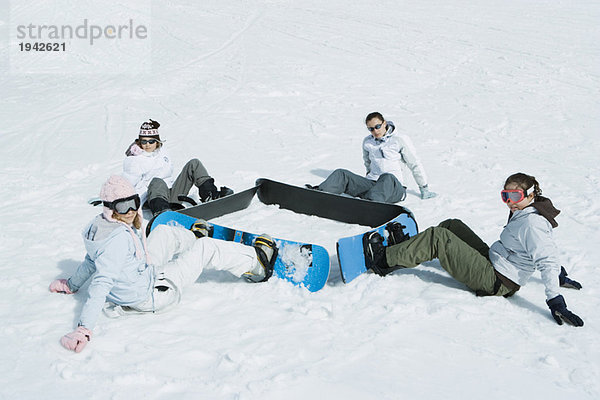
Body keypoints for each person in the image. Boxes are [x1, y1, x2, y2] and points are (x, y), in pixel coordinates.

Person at [49, 175, 277, 353]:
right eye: (121, 207)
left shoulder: (100, 227)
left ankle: (193, 239)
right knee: (208, 248)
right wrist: (83, 329)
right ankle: (258, 265)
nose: (129, 212)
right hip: (153, 295)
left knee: (164, 232)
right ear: (109, 208)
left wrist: (71, 284)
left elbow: (91, 261)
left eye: (133, 203)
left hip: (142, 275)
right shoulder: (116, 241)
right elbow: (101, 284)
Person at [363, 172, 584, 326]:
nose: (509, 202)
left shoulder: (532, 223)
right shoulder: (524, 211)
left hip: (497, 282)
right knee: (452, 225)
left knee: (438, 237)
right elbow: (540, 250)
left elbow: (546, 258)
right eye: (505, 196)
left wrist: (556, 299)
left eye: (514, 196)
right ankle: (406, 251)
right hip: (495, 263)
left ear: (531, 195)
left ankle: (383, 261)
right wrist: (561, 275)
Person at [307, 112, 436, 202]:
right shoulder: (367, 142)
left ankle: (370, 203)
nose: (375, 131)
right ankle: (320, 194)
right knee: (341, 174)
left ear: (384, 123)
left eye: (377, 126)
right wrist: (369, 177)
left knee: (387, 177)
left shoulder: (399, 140)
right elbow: (367, 162)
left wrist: (424, 188)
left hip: (395, 188)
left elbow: (414, 164)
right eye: (371, 129)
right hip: (372, 184)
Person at [122, 119, 233, 216]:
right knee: (157, 181)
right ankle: (162, 211)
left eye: (151, 141)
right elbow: (127, 186)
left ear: (157, 142)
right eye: (144, 141)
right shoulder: (134, 160)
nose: (147, 144)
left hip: (171, 193)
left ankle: (210, 195)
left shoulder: (162, 151)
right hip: (153, 198)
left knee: (194, 163)